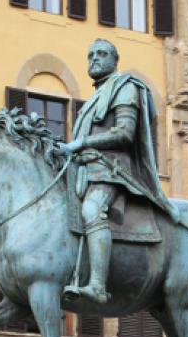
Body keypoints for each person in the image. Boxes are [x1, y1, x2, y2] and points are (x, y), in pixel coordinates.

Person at [58, 38, 177, 304]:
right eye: (90, 55)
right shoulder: (95, 97)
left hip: (110, 171)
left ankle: (98, 285)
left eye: (101, 54)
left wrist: (83, 143)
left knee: (91, 210)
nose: (94, 59)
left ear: (115, 60)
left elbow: (124, 133)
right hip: (85, 169)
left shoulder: (125, 88)